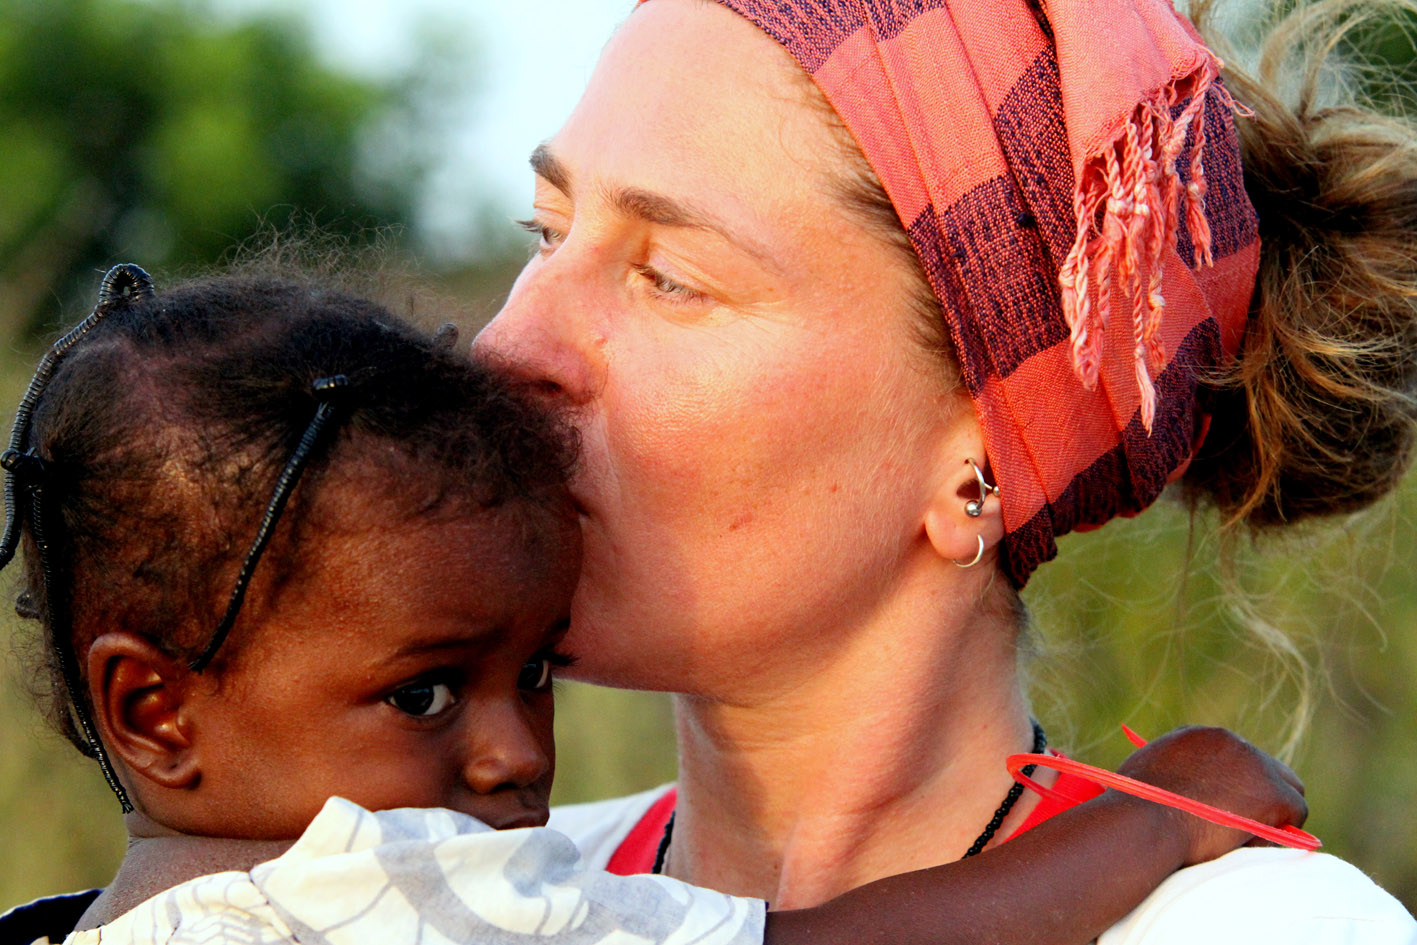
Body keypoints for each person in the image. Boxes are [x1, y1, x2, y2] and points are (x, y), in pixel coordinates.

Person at [0, 264, 1311, 945]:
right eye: (425, 693)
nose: (517, 752)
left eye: (538, 673)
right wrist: (1153, 825)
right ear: (153, 709)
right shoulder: (398, 896)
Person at [475, 0, 1417, 939]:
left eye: (670, 276)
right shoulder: (467, 891)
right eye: (546, 232)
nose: (501, 344)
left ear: (978, 462)